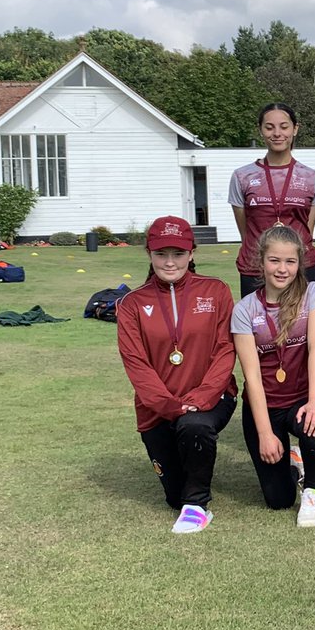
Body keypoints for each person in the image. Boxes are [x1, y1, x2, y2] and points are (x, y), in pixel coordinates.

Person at [116, 216, 238, 534]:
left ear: (192, 253)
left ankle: (198, 507)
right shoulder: (131, 304)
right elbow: (136, 363)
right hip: (158, 410)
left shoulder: (216, 291)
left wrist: (200, 398)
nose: (170, 262)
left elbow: (226, 350)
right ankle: (188, 483)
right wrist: (169, 405)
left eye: (178, 253)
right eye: (161, 254)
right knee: (173, 496)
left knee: (194, 427)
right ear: (149, 254)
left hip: (210, 400)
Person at [231, 225, 315, 527]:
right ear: (261, 262)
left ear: (300, 263)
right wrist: (264, 432)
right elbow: (252, 375)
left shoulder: (313, 293)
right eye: (274, 260)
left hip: (301, 399)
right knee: (278, 501)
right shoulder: (244, 309)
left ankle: (314, 491)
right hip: (265, 406)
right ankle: (293, 464)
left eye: (290, 261)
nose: (282, 269)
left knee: (314, 431)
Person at [229, 103, 315, 299]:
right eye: (269, 127)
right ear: (261, 130)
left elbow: (307, 229)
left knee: (303, 327)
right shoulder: (242, 176)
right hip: (255, 267)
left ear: (295, 129)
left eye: (284, 126)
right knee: (257, 327)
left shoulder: (312, 178)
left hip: (300, 265)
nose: (277, 133)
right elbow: (246, 231)